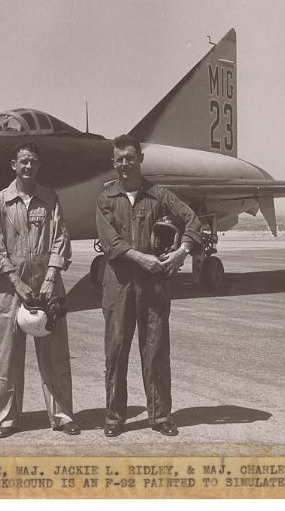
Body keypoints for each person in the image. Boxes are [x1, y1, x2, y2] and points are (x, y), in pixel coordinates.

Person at [95, 134, 202, 437]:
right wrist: (141, 258)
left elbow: (193, 221)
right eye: (119, 159)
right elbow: (110, 242)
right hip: (119, 286)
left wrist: (182, 252)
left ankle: (160, 416)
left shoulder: (160, 195)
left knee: (155, 351)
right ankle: (115, 418)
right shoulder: (105, 200)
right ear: (113, 163)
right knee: (115, 351)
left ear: (140, 159)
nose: (125, 164)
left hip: (154, 286)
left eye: (130, 157)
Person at [0, 141, 79, 438]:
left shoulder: (50, 199)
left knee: (55, 354)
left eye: (33, 162)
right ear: (13, 164)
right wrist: (16, 281)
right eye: (23, 161)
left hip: (47, 283)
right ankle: (7, 419)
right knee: (7, 355)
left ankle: (62, 415)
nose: (28, 167)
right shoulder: (0, 201)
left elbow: (61, 238)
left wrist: (51, 277)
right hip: (10, 288)